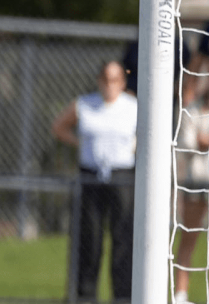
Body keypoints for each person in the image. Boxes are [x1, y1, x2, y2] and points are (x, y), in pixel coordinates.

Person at [52, 61, 137, 303]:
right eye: (106, 79)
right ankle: (84, 296)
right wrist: (82, 145)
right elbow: (58, 127)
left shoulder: (133, 107)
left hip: (122, 177)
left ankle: (123, 296)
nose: (110, 85)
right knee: (89, 239)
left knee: (123, 238)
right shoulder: (85, 104)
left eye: (115, 79)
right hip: (90, 176)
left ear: (122, 82)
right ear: (99, 80)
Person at [174, 68, 209, 304]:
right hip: (196, 182)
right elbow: (188, 143)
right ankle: (181, 294)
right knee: (189, 237)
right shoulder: (192, 109)